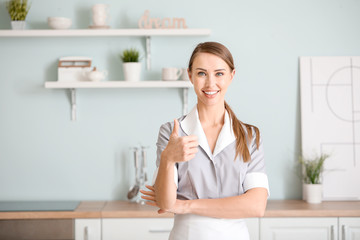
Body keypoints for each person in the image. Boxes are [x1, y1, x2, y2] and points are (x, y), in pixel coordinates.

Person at [140, 42, 269, 240]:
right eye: (201, 73)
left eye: (219, 73)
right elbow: (166, 203)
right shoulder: (172, 132)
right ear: (190, 75)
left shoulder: (249, 136)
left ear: (231, 76)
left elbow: (256, 206)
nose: (210, 84)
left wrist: (185, 205)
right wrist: (168, 158)